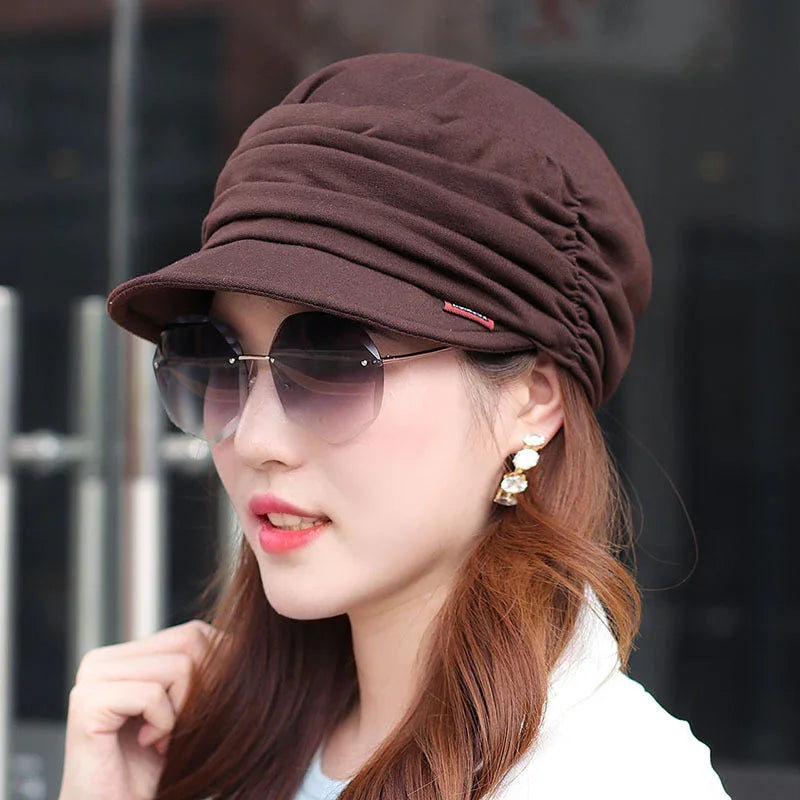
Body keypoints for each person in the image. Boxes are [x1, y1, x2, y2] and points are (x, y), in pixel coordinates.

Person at [58, 53, 731, 800]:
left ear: (532, 400)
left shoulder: (610, 779)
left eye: (334, 364)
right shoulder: (213, 746)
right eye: (216, 361)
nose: (253, 440)